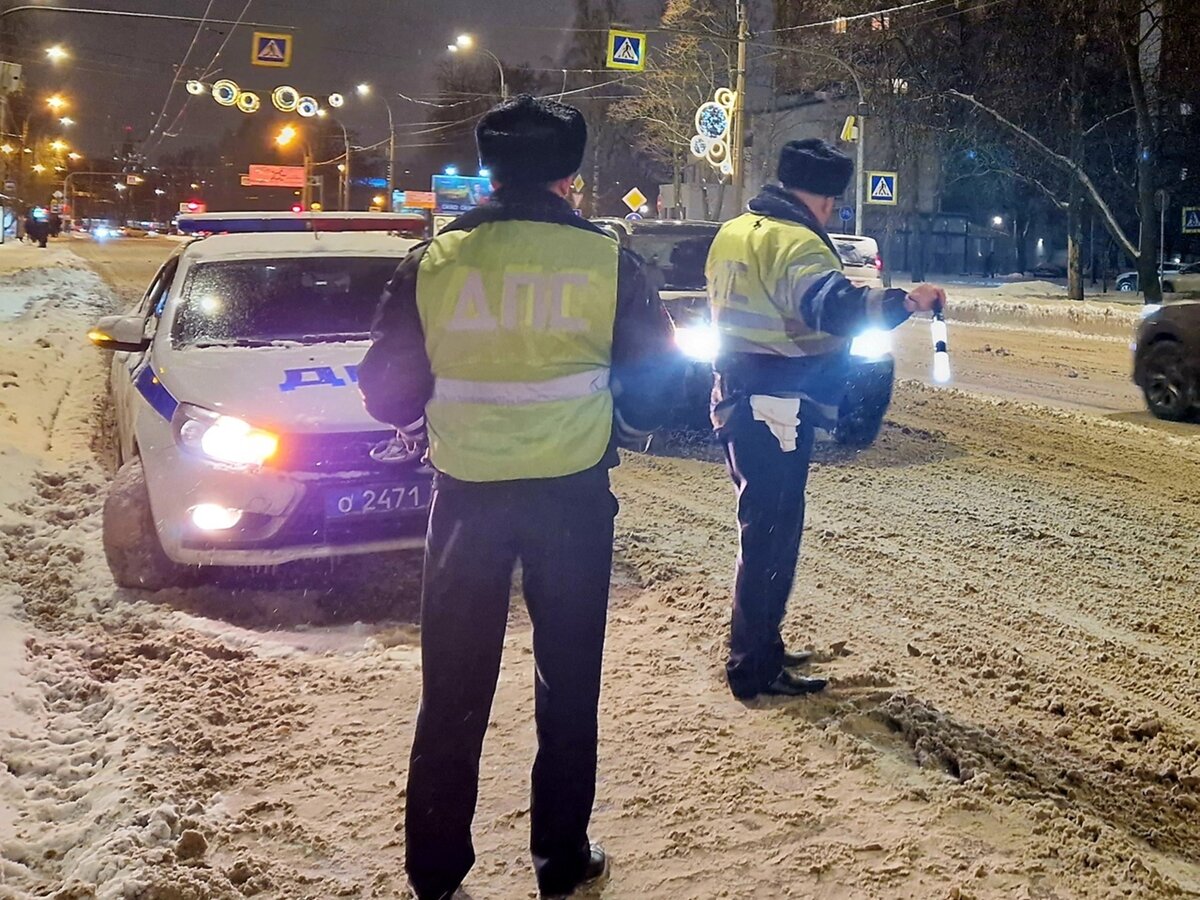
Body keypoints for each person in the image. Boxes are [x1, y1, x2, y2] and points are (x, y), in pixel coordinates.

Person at [358, 94, 677, 900]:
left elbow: (387, 394)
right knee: (569, 687)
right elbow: (655, 399)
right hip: (572, 502)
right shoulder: (608, 262)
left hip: (466, 505)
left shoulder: (436, 260)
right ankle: (561, 860)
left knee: (453, 689)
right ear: (571, 174)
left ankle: (435, 874)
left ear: (490, 169)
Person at [706, 138, 946, 700]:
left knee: (763, 530)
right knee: (771, 537)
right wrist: (905, 303)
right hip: (775, 406)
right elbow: (834, 307)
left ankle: (761, 646)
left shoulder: (737, 230)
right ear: (818, 198)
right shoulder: (795, 243)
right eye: (833, 202)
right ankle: (754, 669)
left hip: (739, 397)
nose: (834, 211)